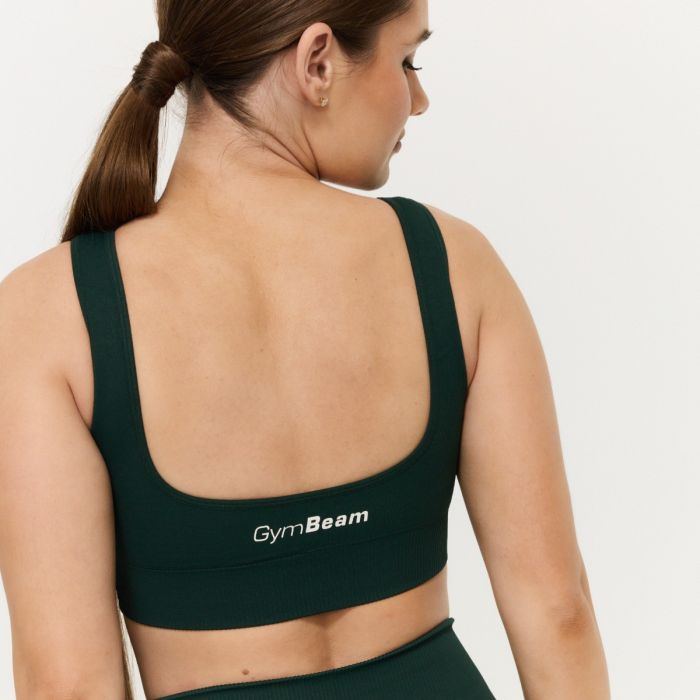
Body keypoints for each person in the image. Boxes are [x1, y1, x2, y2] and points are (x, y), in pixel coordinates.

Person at [0, 0, 610, 698]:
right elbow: (558, 611)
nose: (418, 99)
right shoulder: (453, 265)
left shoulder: (48, 315)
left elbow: (68, 684)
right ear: (317, 61)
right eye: (408, 60)